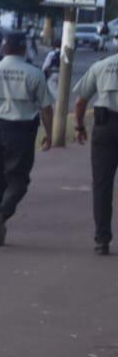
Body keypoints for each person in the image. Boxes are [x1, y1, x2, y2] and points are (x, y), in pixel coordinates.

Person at [0, 30, 53, 247]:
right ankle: (1, 213)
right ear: (24, 48)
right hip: (21, 133)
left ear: (2, 49)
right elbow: (46, 108)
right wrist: (49, 134)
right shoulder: (34, 74)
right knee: (18, 180)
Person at [73, 46, 118, 255]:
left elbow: (81, 101)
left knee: (102, 185)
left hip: (105, 128)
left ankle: (102, 239)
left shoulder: (101, 66)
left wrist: (79, 126)